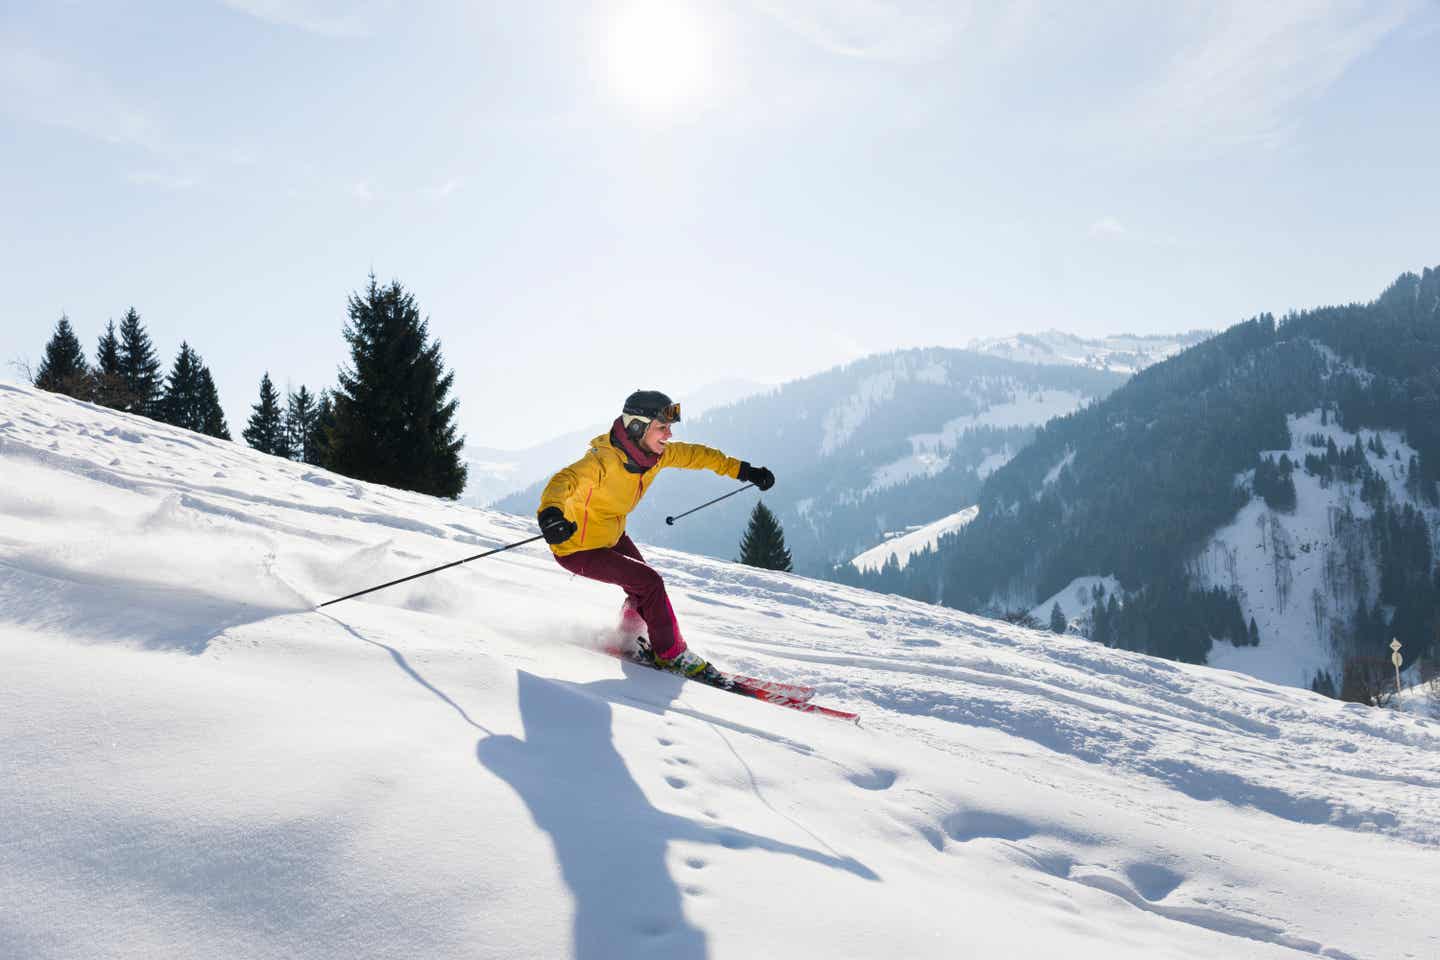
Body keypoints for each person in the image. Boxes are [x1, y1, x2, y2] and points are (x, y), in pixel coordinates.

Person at [536, 390, 775, 677]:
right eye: (662, 427)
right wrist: (551, 514)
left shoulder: (654, 456)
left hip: (611, 537)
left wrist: (745, 471)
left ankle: (627, 637)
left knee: (642, 585)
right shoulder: (602, 461)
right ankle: (671, 654)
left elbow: (699, 456)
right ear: (637, 427)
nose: (669, 434)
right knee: (650, 582)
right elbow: (564, 481)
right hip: (577, 546)